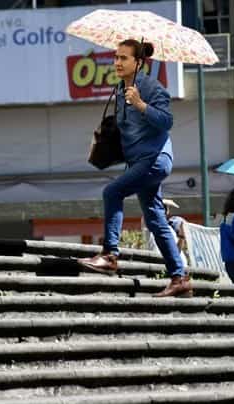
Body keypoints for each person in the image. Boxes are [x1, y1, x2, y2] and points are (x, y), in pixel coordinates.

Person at [78, 39, 191, 298]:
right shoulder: (119, 90)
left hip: (155, 159)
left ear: (138, 62)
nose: (117, 62)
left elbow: (166, 121)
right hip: (138, 162)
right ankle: (180, 279)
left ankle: (110, 255)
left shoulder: (152, 88)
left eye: (124, 58)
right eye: (116, 57)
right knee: (155, 220)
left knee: (112, 192)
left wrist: (141, 105)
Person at [143, 199, 189, 267]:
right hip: (162, 267)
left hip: (180, 267)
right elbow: (146, 214)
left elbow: (175, 252)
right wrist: (161, 202)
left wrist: (181, 237)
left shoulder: (169, 229)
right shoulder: (150, 227)